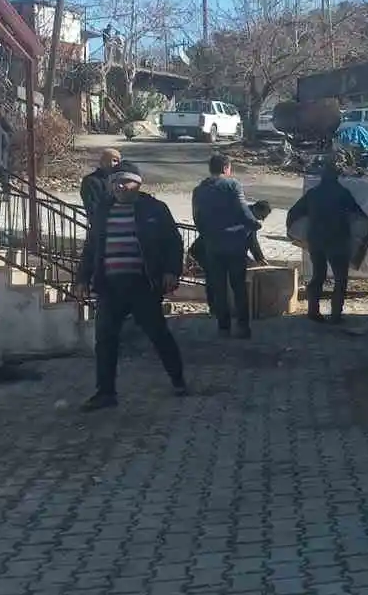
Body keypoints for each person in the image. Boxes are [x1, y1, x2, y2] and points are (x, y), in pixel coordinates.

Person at [75, 163, 187, 410]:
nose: (120, 186)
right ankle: (105, 392)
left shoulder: (154, 209)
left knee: (158, 334)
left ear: (138, 183)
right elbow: (92, 247)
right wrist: (82, 278)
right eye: (116, 182)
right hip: (110, 286)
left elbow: (173, 242)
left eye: (126, 181)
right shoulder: (103, 210)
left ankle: (178, 380)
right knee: (105, 339)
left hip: (142, 284)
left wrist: (171, 271)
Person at [286, 156, 366, 323]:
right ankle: (336, 315)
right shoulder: (343, 194)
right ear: (337, 177)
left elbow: (293, 213)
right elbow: (358, 216)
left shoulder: (313, 194)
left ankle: (313, 312)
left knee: (318, 276)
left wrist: (294, 233)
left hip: (316, 241)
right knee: (340, 279)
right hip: (338, 241)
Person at [191, 153, 260, 338]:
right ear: (226, 168)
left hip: (212, 245)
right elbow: (242, 210)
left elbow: (196, 217)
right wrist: (255, 224)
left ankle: (223, 327)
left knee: (218, 287)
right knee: (238, 286)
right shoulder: (232, 185)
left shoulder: (199, 189)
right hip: (234, 244)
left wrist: (207, 234)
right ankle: (243, 326)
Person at [80, 147, 121, 225]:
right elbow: (92, 207)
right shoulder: (90, 181)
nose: (116, 164)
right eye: (114, 160)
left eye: (118, 161)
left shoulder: (119, 179)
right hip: (101, 227)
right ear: (102, 161)